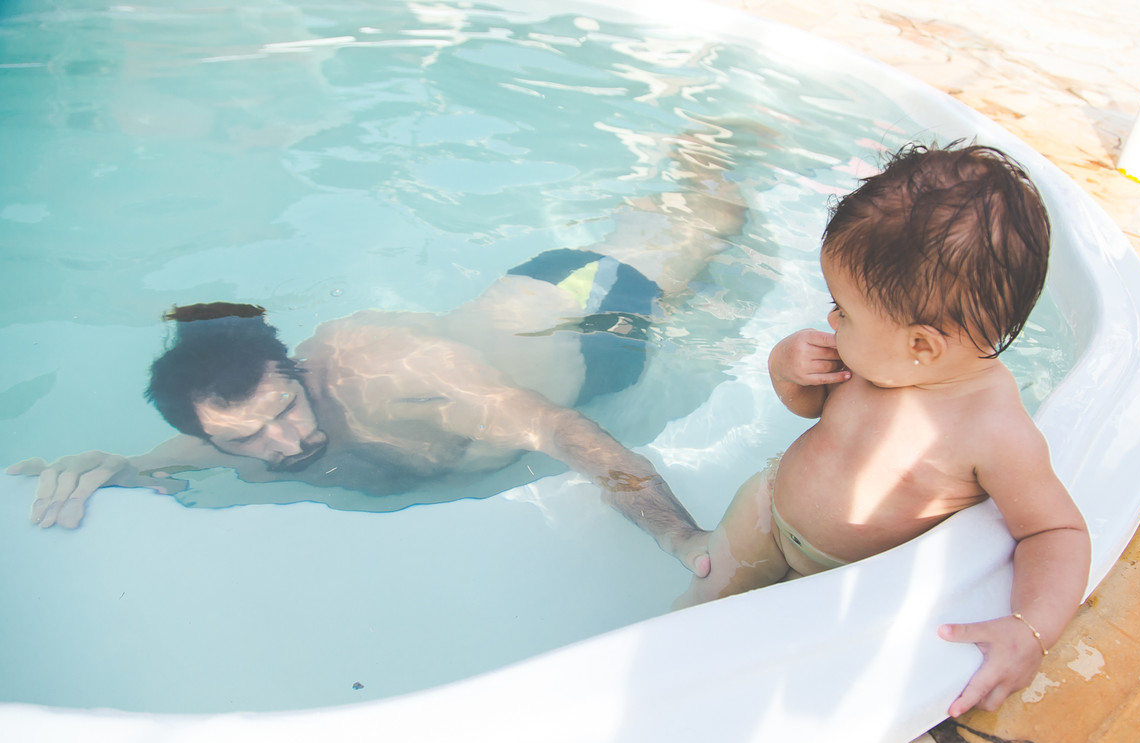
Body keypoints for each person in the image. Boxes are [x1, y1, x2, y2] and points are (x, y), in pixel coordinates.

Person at [7, 134, 753, 578]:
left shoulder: (394, 374)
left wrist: (676, 532)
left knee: (712, 219)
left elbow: (564, 433)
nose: (283, 443)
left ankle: (712, 141)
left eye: (284, 410)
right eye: (245, 438)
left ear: (297, 372)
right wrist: (112, 466)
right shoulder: (235, 436)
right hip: (526, 323)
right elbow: (170, 460)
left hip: (581, 313)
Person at [674, 143, 1091, 716]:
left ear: (922, 344)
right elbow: (811, 412)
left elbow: (1055, 531)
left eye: (843, 311)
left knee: (761, 670)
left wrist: (1032, 628)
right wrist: (785, 369)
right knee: (695, 620)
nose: (831, 319)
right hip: (766, 510)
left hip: (841, 575)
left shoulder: (993, 431)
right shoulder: (881, 358)